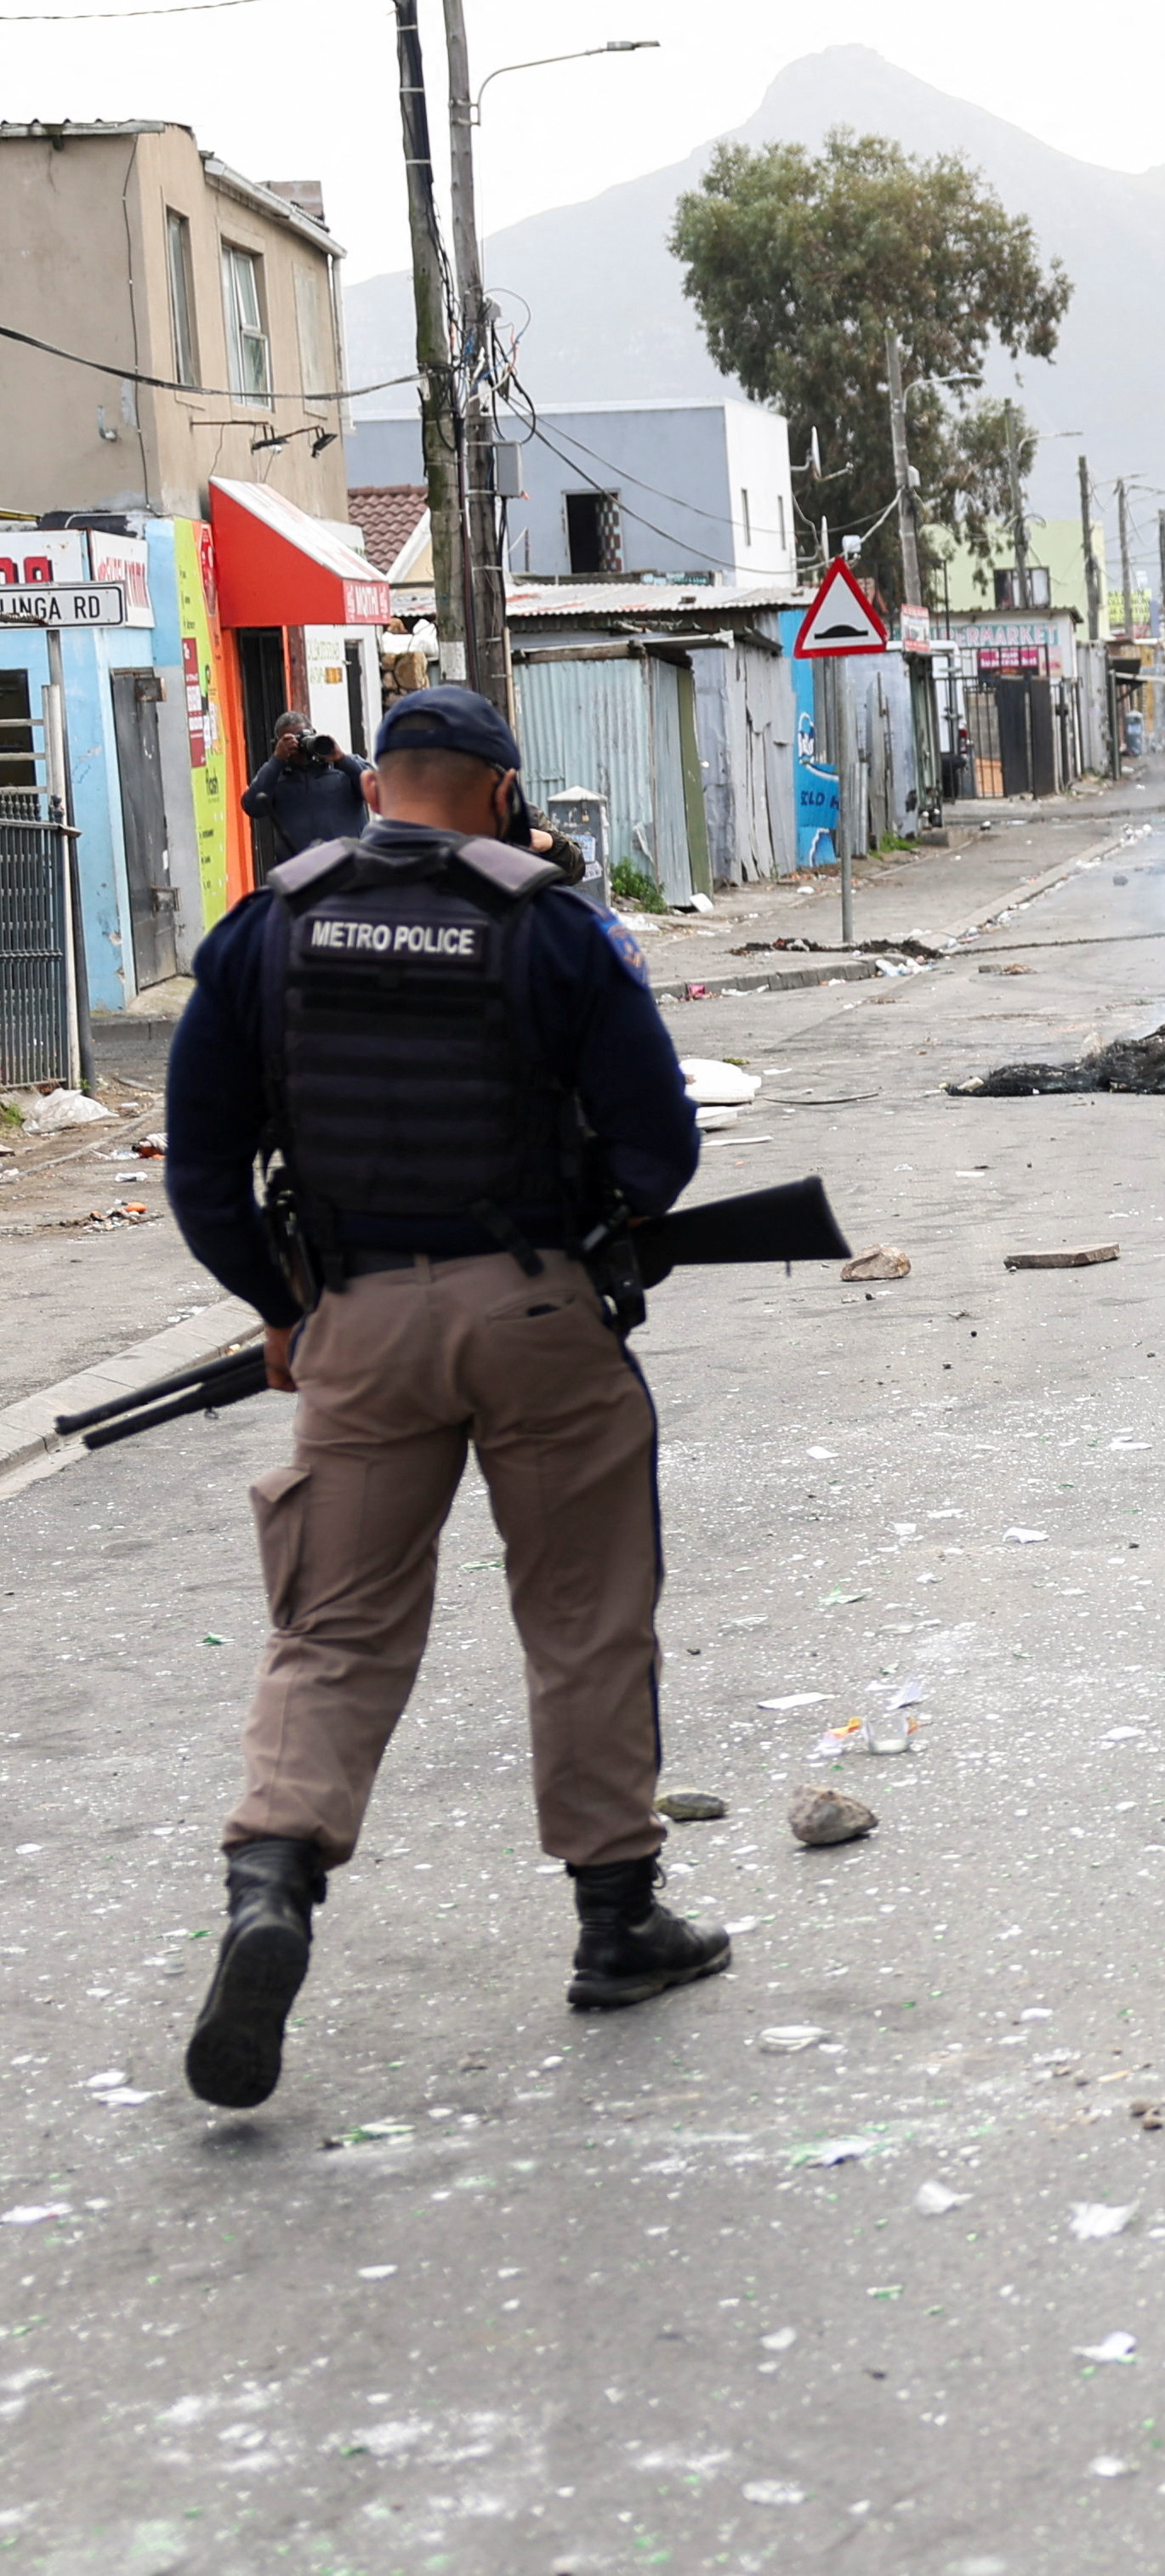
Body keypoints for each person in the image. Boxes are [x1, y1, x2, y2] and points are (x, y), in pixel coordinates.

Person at [162, 687, 725, 2111]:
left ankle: (271, 1889)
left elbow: (200, 1165)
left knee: (332, 1629)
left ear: (378, 789)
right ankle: (616, 1929)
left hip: (352, 1318)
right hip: (537, 1309)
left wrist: (284, 1309)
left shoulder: (265, 927)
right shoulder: (548, 922)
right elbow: (662, 1143)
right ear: (491, 790)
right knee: (585, 1618)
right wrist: (595, 1226)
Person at [242, 712, 370, 865]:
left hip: (351, 870)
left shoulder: (345, 768)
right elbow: (252, 807)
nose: (301, 746)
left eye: (304, 737)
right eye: (292, 741)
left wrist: (342, 759)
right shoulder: (276, 778)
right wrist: (276, 761)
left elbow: (380, 792)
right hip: (302, 875)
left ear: (314, 734)